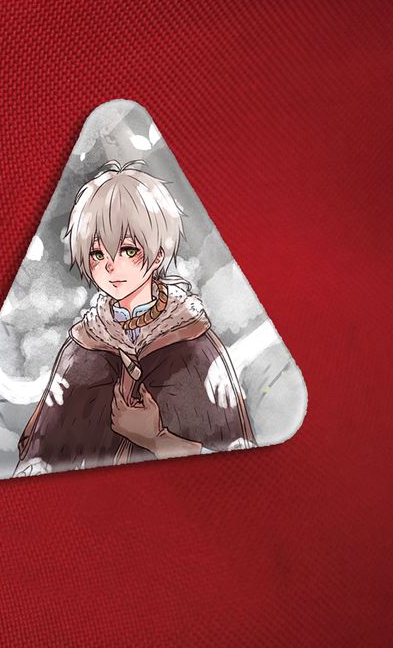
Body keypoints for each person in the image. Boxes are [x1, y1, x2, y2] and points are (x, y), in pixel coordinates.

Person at [14, 159, 255, 477]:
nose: (111, 266)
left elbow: (237, 460)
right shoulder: (83, 347)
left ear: (157, 255)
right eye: (98, 254)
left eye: (127, 250)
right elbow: (41, 451)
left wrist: (157, 440)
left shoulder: (194, 346)